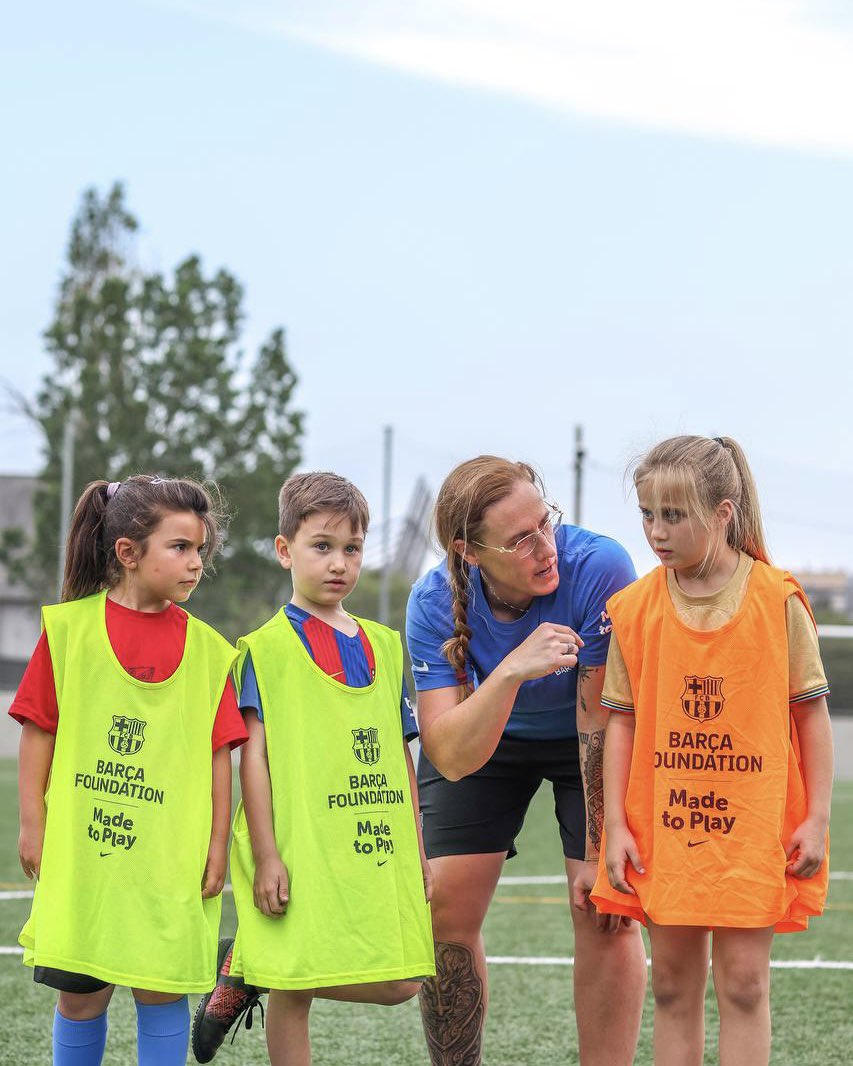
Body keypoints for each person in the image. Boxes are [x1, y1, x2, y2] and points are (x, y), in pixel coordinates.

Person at [590, 435, 832, 1066]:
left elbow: (811, 714)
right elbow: (621, 724)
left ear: (724, 512)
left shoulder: (777, 599)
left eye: (673, 515)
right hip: (667, 829)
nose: (656, 531)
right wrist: (614, 824)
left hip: (752, 830)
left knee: (745, 986)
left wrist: (818, 816)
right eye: (647, 514)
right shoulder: (636, 608)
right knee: (671, 985)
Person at [406, 455, 648, 1066]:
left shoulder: (599, 566)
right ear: (469, 551)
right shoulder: (433, 601)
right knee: (445, 909)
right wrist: (511, 671)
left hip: (587, 734)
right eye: (521, 539)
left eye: (547, 523)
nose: (546, 548)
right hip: (486, 736)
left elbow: (598, 719)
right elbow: (449, 755)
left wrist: (599, 853)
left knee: (603, 909)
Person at [192, 471, 434, 1066]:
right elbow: (256, 758)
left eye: (351, 549)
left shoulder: (383, 643)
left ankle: (247, 968)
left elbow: (401, 753)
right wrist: (268, 854)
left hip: (372, 843)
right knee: (295, 988)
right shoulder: (263, 649)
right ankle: (264, 969)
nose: (338, 564)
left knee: (402, 980)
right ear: (284, 551)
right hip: (299, 844)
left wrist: (418, 845)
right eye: (321, 546)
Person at [12, 475, 247, 1066]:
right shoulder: (69, 631)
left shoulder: (209, 649)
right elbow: (40, 729)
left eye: (201, 550)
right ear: (128, 553)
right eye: (181, 548)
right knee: (82, 996)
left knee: (162, 992)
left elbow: (221, 757)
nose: (196, 563)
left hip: (169, 859)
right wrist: (32, 823)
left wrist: (218, 843)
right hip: (85, 857)